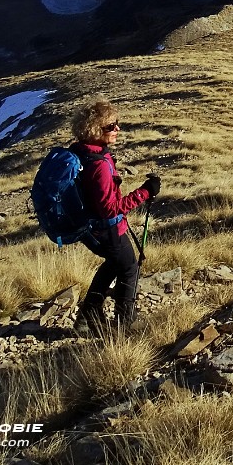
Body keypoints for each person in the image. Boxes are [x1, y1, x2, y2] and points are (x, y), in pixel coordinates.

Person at [70, 98, 159, 335]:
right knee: (129, 266)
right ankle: (125, 323)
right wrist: (145, 192)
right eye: (110, 126)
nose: (117, 129)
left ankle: (88, 315)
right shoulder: (97, 165)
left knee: (114, 263)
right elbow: (110, 208)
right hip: (108, 229)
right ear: (94, 129)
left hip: (93, 229)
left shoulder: (82, 152)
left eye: (116, 123)